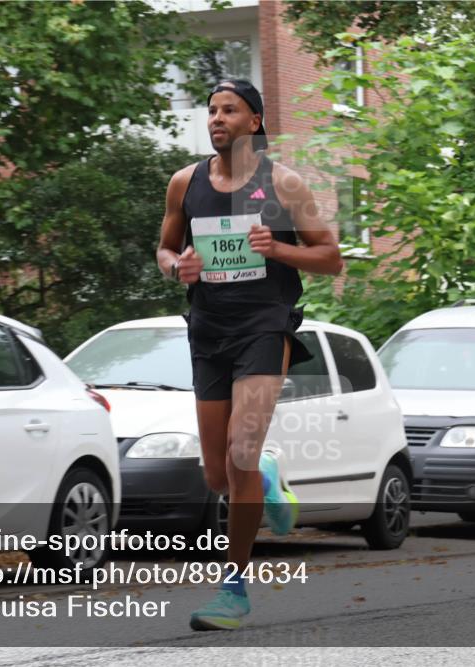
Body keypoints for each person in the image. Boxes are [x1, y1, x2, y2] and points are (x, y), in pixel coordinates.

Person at [157, 79, 343, 629]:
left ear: (254, 122)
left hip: (264, 326)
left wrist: (277, 247)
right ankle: (264, 471)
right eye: (212, 110)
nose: (217, 118)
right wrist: (176, 267)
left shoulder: (283, 185)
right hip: (208, 329)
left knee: (239, 448)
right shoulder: (184, 183)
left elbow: (330, 257)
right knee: (219, 474)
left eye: (230, 110)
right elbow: (165, 248)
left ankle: (233, 589)